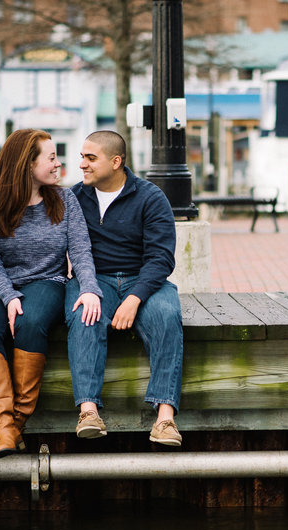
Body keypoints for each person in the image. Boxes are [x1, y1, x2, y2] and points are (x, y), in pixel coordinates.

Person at [0, 128, 102, 458]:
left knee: (30, 322)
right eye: (52, 157)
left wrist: (90, 290)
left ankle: (12, 425)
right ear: (28, 164)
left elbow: (81, 252)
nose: (59, 164)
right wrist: (9, 296)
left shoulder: (64, 199)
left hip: (47, 281)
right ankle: (5, 424)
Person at [64, 130, 184, 446]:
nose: (82, 165)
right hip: (94, 280)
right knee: (84, 315)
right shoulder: (74, 197)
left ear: (116, 162)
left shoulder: (150, 197)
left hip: (143, 279)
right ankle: (88, 411)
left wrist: (133, 298)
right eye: (82, 157)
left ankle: (165, 418)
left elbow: (161, 258)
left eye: (91, 158)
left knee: (165, 315)